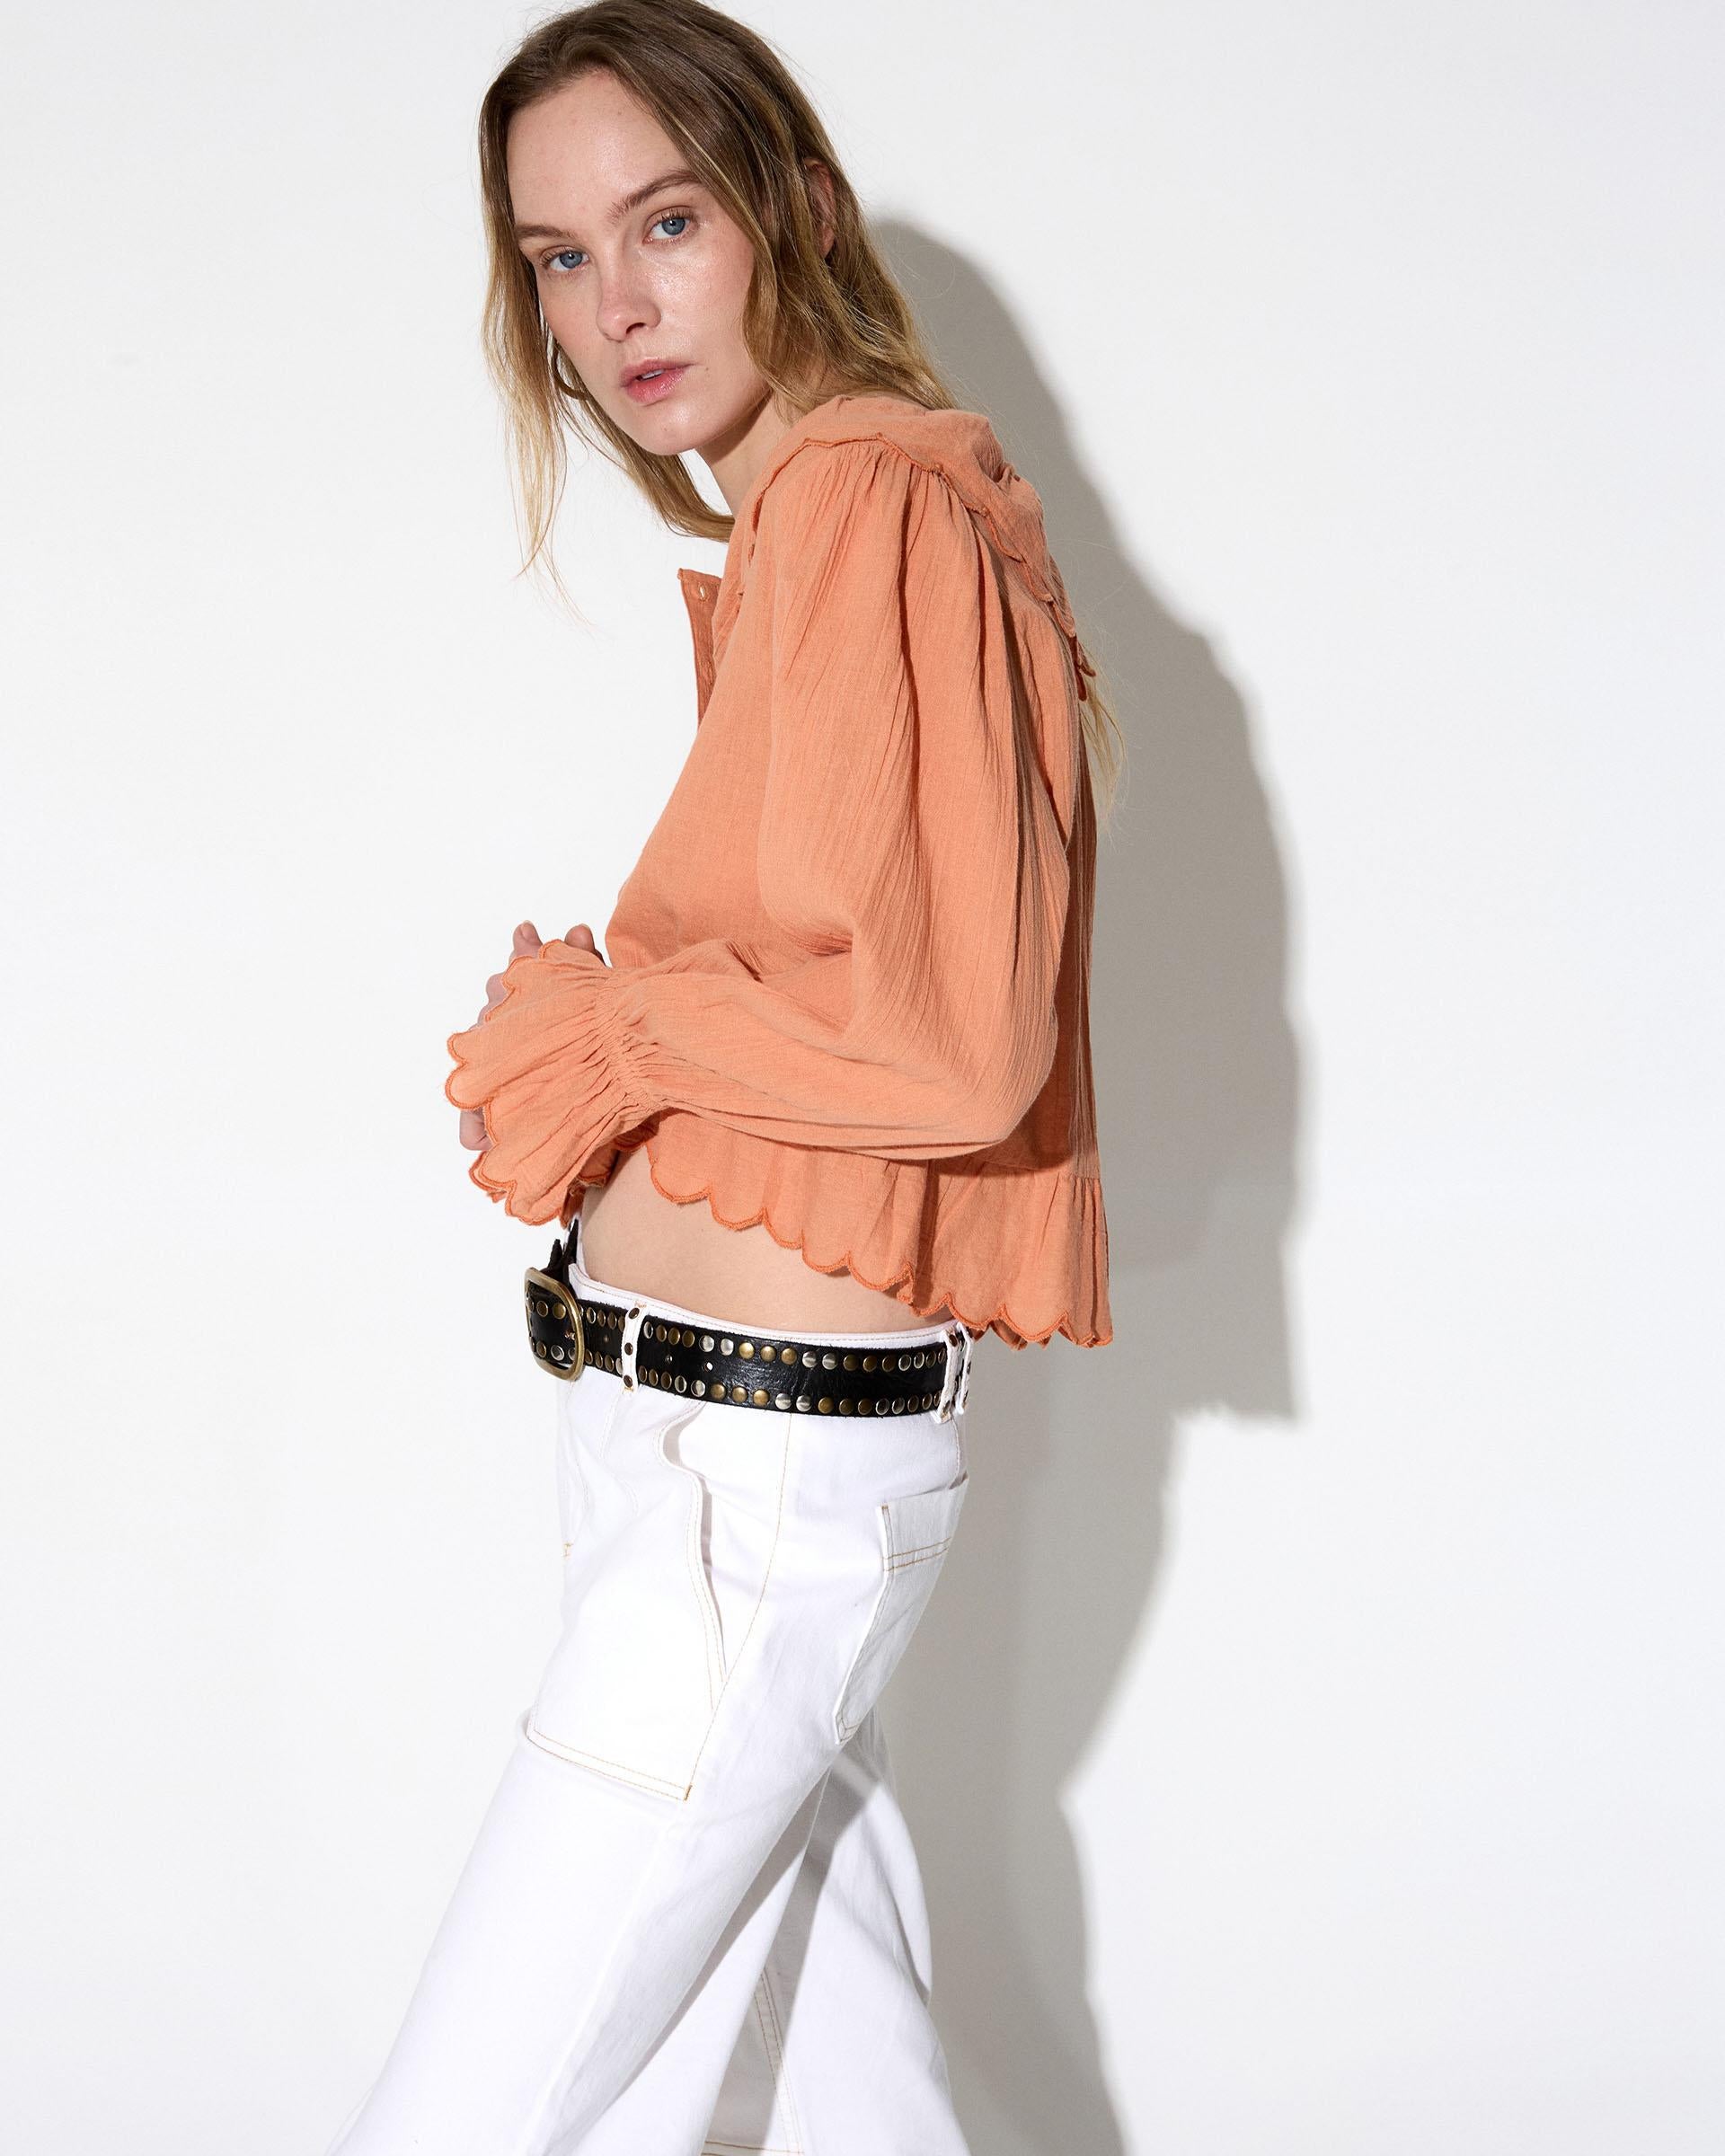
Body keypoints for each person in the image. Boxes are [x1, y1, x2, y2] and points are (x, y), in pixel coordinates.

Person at [324, 3, 1119, 2150]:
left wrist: (613, 1033)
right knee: (844, 2100)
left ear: (800, 213)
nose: (615, 304)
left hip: (749, 1495)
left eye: (666, 222)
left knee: (466, 2113)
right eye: (559, 258)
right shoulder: (814, 530)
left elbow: (948, 1047)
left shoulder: (864, 499)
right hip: (707, 1463)